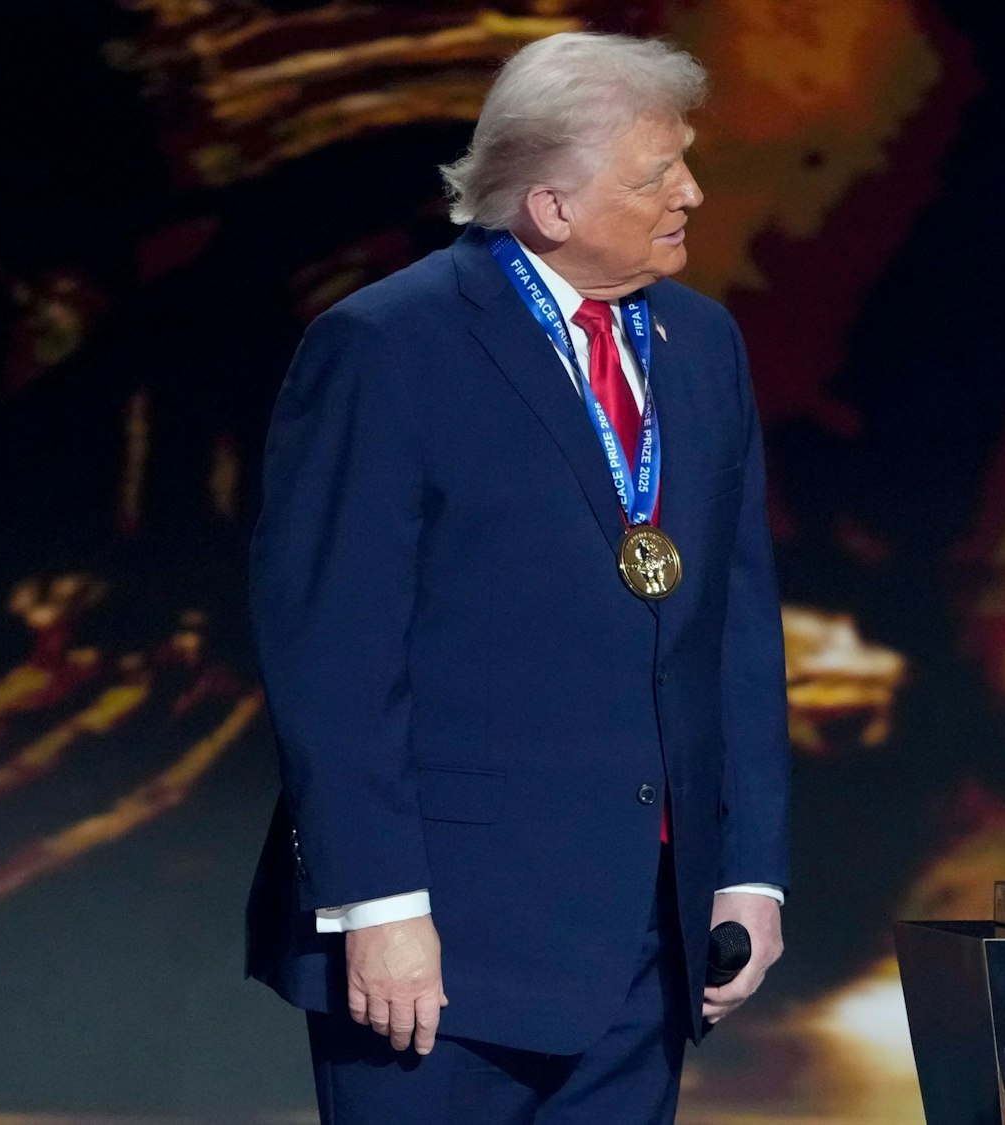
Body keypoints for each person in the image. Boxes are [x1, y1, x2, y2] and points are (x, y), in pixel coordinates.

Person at [245, 32, 789, 1124]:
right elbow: (334, 653)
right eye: (656, 175)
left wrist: (749, 868)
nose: (689, 192)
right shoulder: (388, 346)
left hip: (646, 937)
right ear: (550, 206)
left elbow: (733, 623)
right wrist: (377, 905)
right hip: (441, 942)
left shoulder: (699, 342)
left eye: (684, 160)